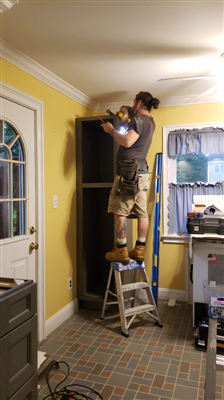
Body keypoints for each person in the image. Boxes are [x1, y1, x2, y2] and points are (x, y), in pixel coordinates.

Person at [101, 91, 160, 263]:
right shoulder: (150, 121)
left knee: (120, 211)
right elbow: (127, 111)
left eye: (134, 102)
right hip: (141, 173)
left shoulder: (138, 120)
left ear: (138, 101)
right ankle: (139, 249)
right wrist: (125, 114)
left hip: (128, 172)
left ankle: (121, 250)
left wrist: (111, 130)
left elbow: (127, 141)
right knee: (142, 212)